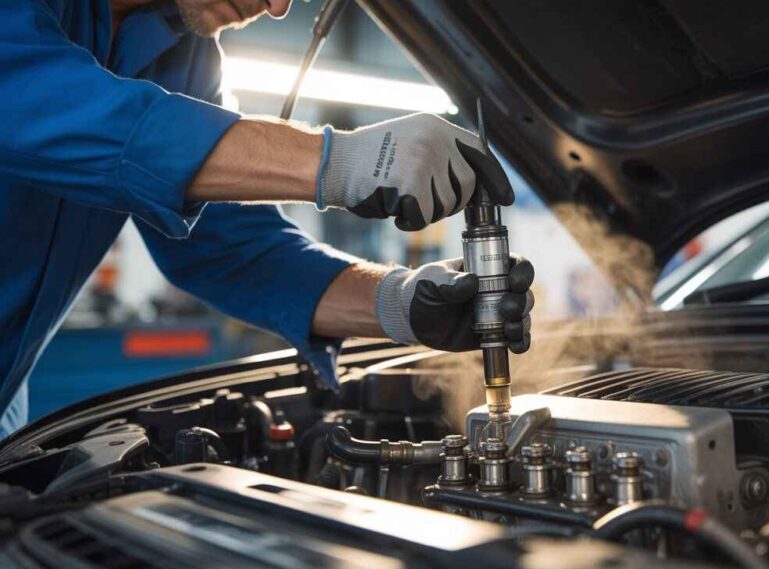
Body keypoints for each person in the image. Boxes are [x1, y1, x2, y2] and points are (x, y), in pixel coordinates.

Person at [0, 0, 534, 437]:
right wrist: (338, 161)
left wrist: (400, 303)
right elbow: (39, 104)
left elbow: (230, 247)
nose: (279, 8)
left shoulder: (187, 58)